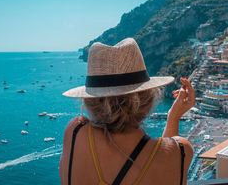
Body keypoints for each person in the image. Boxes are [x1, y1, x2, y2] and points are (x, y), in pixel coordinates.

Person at [60, 38, 195, 185]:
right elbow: (167, 158)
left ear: (90, 100)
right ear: (147, 98)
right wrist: (173, 117)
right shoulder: (181, 151)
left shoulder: (75, 131)